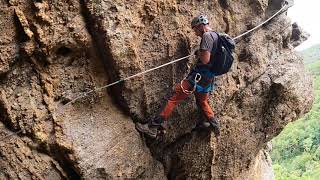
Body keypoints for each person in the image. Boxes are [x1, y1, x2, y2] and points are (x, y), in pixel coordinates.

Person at [136, 15, 220, 139]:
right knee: (202, 101)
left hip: (198, 77)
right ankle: (214, 124)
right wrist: (201, 52)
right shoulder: (217, 35)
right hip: (208, 79)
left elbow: (205, 59)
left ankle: (152, 127)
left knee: (173, 98)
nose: (196, 33)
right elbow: (212, 56)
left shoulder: (207, 36)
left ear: (201, 26)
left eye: (196, 30)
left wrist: (200, 54)